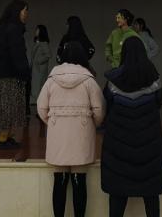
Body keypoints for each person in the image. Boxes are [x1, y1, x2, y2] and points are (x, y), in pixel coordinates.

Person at [37, 41, 104, 217]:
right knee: (79, 180)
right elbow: (99, 110)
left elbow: (41, 108)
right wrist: (91, 124)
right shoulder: (89, 80)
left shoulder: (52, 79)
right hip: (81, 136)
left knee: (59, 180)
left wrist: (53, 123)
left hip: (58, 136)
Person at [102, 36, 162, 217]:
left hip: (118, 146)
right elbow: (158, 104)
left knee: (117, 190)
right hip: (149, 144)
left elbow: (107, 106)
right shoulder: (154, 79)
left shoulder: (113, 82)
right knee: (151, 191)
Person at [0, 0, 31, 149]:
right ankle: (3, 140)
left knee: (10, 106)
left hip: (7, 73)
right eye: (25, 11)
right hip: (11, 74)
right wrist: (25, 72)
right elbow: (16, 54)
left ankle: (8, 137)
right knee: (9, 107)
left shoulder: (8, 27)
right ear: (17, 11)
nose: (27, 14)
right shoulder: (13, 29)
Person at [30, 24, 52, 106]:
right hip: (35, 70)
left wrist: (38, 61)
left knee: (39, 89)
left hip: (40, 71)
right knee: (36, 89)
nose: (35, 31)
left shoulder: (43, 43)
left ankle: (41, 107)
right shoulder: (37, 43)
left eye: (37, 30)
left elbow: (48, 55)